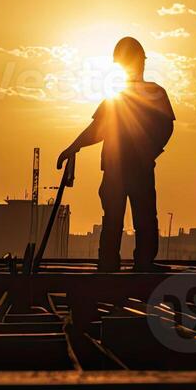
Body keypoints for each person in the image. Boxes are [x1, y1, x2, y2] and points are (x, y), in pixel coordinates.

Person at [58, 38, 175, 272]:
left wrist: (150, 152)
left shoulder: (147, 94)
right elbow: (97, 130)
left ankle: (130, 262)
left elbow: (166, 127)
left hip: (130, 168)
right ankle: (116, 262)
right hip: (119, 168)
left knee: (137, 218)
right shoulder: (120, 96)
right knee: (120, 218)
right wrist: (73, 147)